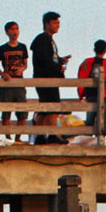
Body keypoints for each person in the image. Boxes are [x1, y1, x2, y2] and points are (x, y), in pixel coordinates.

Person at [31, 12, 68, 142]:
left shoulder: (48, 40)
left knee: (44, 107)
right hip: (46, 78)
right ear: (47, 24)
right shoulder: (42, 39)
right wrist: (58, 67)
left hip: (46, 77)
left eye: (58, 23)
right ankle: (52, 135)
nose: (57, 25)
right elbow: (45, 60)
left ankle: (40, 136)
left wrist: (60, 60)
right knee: (52, 107)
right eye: (54, 22)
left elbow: (49, 58)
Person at [0, 21, 28, 141]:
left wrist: (21, 69)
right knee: (6, 111)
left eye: (16, 29)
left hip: (19, 82)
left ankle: (18, 137)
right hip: (6, 84)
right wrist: (3, 74)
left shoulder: (22, 47)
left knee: (22, 111)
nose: (15, 32)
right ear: (7, 32)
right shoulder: (2, 48)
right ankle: (8, 137)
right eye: (12, 29)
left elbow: (25, 64)